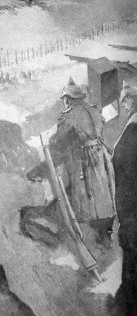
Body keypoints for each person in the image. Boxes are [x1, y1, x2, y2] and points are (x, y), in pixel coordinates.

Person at [48, 77, 115, 225]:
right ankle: (105, 219)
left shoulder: (68, 115)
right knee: (101, 187)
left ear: (68, 99)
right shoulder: (94, 110)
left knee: (84, 191)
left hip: (84, 156)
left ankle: (87, 224)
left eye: (64, 99)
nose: (64, 102)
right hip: (100, 153)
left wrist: (51, 142)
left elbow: (59, 140)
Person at [112, 81, 137, 316]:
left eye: (126, 100)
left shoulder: (132, 135)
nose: (123, 104)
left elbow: (128, 187)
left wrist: (127, 225)